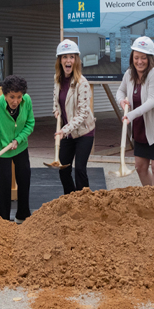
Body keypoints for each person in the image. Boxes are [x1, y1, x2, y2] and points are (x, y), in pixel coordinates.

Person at [116, 36, 154, 188]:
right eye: (136, 58)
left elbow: (152, 101)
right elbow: (120, 91)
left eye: (143, 58)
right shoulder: (129, 74)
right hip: (141, 128)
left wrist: (131, 115)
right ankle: (150, 198)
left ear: (150, 58)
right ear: (132, 57)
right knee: (140, 167)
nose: (139, 62)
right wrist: (121, 101)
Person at [0, 75, 34, 223]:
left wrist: (19, 139)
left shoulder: (27, 100)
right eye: (11, 97)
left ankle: (22, 215)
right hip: (2, 150)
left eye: (19, 97)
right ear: (4, 94)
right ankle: (3, 220)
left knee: (24, 180)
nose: (15, 101)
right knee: (3, 184)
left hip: (21, 147)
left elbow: (30, 124)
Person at [52, 39, 95, 194]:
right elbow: (56, 100)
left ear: (76, 60)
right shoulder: (57, 79)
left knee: (80, 170)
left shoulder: (82, 83)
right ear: (60, 61)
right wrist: (56, 110)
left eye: (71, 57)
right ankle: (71, 200)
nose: (68, 60)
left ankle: (84, 203)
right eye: (64, 57)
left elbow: (83, 113)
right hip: (68, 134)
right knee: (64, 169)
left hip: (84, 132)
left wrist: (64, 130)